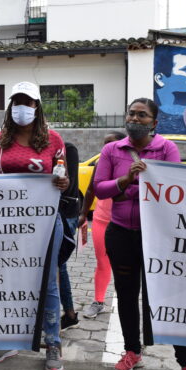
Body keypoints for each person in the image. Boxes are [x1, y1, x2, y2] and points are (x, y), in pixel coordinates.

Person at [93, 98, 186, 370]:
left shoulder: (166, 149)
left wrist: (128, 190)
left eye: (142, 115)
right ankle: (133, 351)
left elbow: (173, 188)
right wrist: (126, 181)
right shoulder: (111, 150)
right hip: (120, 233)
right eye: (131, 113)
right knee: (127, 295)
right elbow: (100, 188)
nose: (135, 118)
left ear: (154, 123)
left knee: (166, 297)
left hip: (157, 236)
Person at [0, 81, 68, 370]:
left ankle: (53, 343)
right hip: (6, 224)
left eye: (27, 102)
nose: (22, 107)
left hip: (44, 221)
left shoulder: (54, 139)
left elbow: (62, 175)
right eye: (17, 101)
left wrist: (63, 182)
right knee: (8, 280)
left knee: (48, 282)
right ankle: (9, 339)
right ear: (10, 106)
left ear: (37, 106)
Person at [79, 131, 125, 319]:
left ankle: (127, 302)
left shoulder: (131, 166)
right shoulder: (100, 164)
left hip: (125, 224)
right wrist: (83, 213)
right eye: (105, 143)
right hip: (101, 221)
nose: (107, 147)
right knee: (102, 262)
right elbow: (90, 189)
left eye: (111, 143)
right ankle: (98, 301)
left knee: (124, 266)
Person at [58, 141, 81, 331]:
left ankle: (70, 313)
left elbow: (67, 183)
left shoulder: (68, 148)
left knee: (59, 264)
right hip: (52, 211)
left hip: (65, 213)